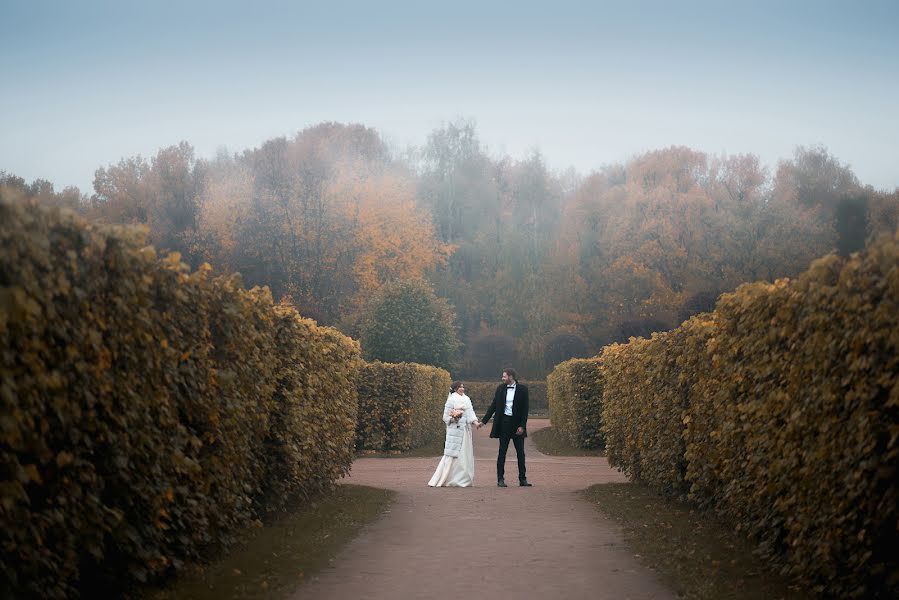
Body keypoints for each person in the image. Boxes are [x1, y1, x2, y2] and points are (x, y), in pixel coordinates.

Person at [480, 368, 532, 487]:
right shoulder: (500, 389)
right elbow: (493, 406)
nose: (502, 378)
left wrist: (522, 426)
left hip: (517, 425)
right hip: (504, 423)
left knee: (520, 453)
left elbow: (525, 409)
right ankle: (500, 479)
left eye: (504, 376)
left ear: (511, 377)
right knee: (502, 452)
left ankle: (522, 479)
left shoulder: (523, 390)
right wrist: (484, 421)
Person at [428, 381, 482, 487]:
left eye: (463, 387)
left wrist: (476, 423)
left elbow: (470, 413)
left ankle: (464, 478)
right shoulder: (451, 400)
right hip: (455, 430)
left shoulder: (467, 399)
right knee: (453, 453)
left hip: (465, 430)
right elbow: (445, 417)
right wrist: (454, 418)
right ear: (455, 389)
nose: (462, 389)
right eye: (460, 387)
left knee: (464, 454)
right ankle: (449, 478)